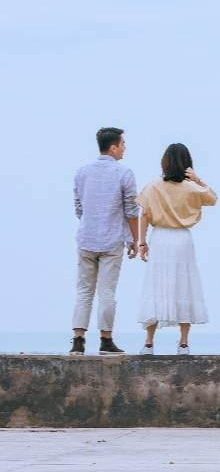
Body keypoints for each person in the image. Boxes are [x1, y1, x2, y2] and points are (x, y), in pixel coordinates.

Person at [135, 143, 216, 355]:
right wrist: (198, 179)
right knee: (184, 285)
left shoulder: (153, 186)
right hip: (182, 239)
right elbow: (213, 198)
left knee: (156, 286)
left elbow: (143, 214)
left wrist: (142, 242)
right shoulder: (191, 188)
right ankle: (183, 343)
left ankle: (149, 342)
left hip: (160, 237)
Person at [70, 127, 139, 355]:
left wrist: (92, 222)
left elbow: (79, 207)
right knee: (107, 292)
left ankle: (78, 339)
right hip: (111, 241)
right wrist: (134, 240)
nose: (124, 148)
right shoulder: (124, 174)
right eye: (122, 144)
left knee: (83, 291)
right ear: (113, 147)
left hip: (86, 239)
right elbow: (131, 211)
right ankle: (106, 339)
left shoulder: (82, 172)